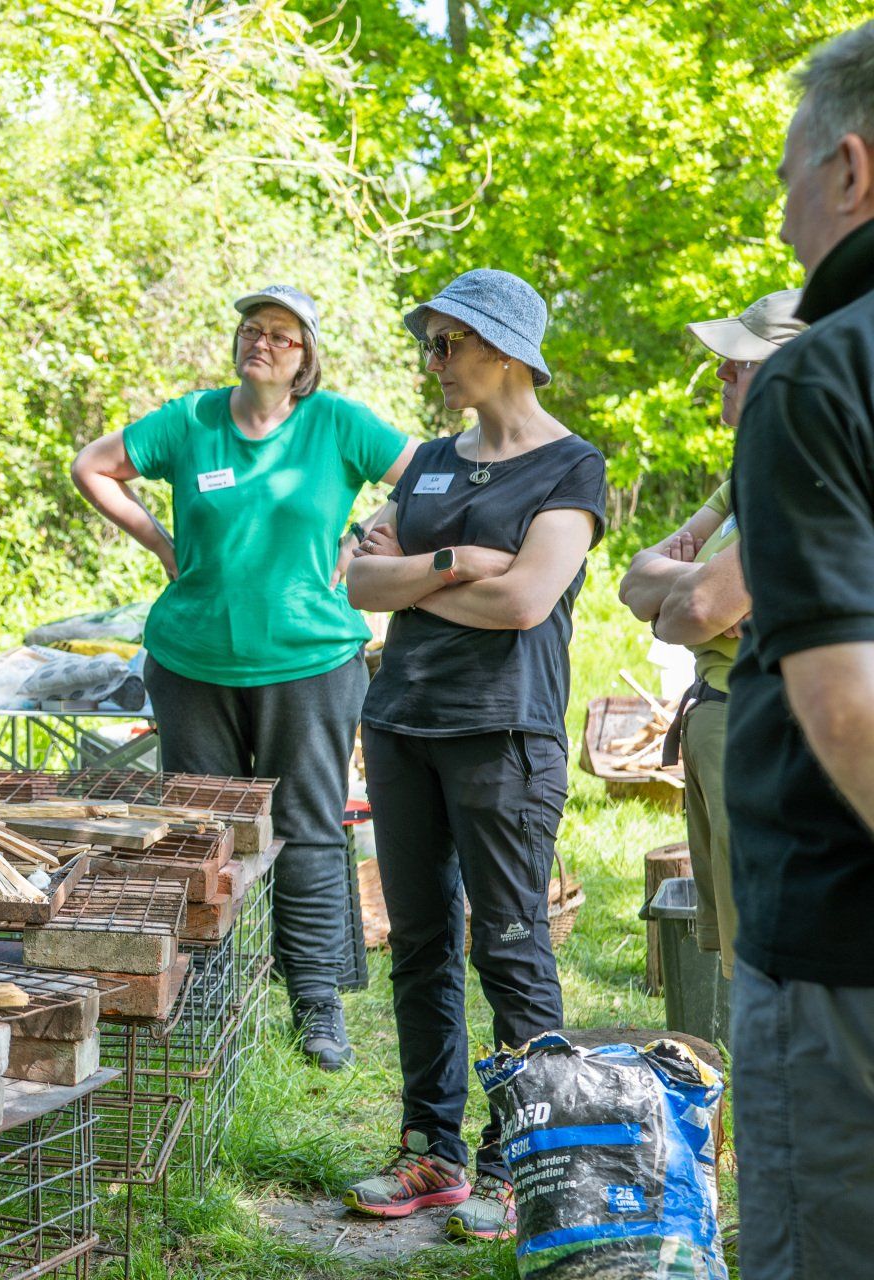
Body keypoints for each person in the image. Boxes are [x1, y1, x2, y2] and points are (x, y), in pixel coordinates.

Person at [71, 284, 417, 1071]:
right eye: (251, 329)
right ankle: (208, 994)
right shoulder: (191, 421)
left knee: (308, 827)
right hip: (193, 664)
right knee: (201, 836)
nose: (260, 342)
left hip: (312, 663)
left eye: (280, 335)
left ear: (306, 358)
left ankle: (316, 1004)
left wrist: (367, 539)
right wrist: (163, 546)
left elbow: (425, 476)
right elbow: (92, 466)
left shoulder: (337, 424)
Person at [342, 269, 605, 1242]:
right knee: (418, 945)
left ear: (505, 350)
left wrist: (415, 581)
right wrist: (454, 564)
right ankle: (432, 1150)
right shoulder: (427, 464)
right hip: (401, 724)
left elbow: (527, 599)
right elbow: (358, 581)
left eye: (447, 343)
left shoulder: (571, 467)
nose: (433, 362)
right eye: (430, 343)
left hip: (503, 733)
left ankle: (521, 1166)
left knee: (509, 945)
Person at [725, 22, 874, 1279]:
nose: (782, 221)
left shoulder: (823, 376)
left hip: (843, 957)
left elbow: (851, 712)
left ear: (852, 168)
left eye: (789, 179)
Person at [617, 288, 803, 984]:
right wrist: (699, 594)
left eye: (741, 361)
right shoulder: (748, 473)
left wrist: (691, 597)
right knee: (740, 958)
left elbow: (691, 610)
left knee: (770, 963)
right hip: (720, 721)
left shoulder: (808, 474)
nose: (722, 372)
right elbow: (637, 582)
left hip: (773, 733)